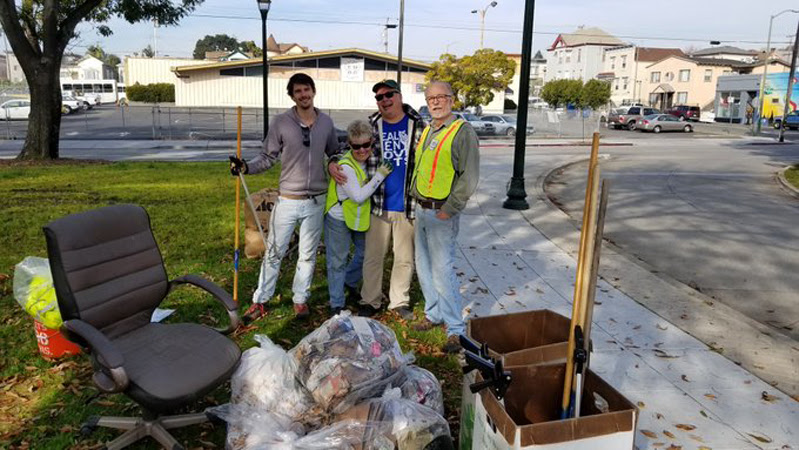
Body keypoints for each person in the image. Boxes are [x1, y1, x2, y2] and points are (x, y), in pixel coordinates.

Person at [230, 73, 341, 321]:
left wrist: (334, 162)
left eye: (306, 89)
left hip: (316, 200)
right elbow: (267, 157)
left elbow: (335, 151)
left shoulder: (326, 122)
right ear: (292, 96)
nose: (303, 95)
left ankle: (300, 299)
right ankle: (261, 300)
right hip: (288, 200)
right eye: (298, 91)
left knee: (307, 254)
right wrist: (246, 167)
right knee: (274, 251)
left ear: (313, 91)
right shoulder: (281, 122)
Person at [329, 79, 426, 320]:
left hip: (407, 204)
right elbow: (349, 147)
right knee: (372, 257)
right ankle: (370, 300)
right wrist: (332, 161)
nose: (384, 100)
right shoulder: (372, 125)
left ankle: (399, 301)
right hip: (377, 204)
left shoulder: (417, 124)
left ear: (399, 96)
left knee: (404, 258)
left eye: (388, 94)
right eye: (379, 97)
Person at [410, 81, 480, 354]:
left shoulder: (462, 132)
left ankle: (455, 329)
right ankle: (434, 313)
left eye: (441, 97)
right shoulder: (429, 129)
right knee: (424, 266)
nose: (436, 102)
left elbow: (469, 177)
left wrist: (449, 209)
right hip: (422, 208)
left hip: (441, 212)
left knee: (442, 270)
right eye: (431, 98)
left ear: (452, 100)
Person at [324, 120, 393, 317]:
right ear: (350, 144)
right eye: (356, 146)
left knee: (365, 253)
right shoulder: (345, 166)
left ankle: (349, 281)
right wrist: (379, 176)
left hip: (358, 217)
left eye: (366, 144)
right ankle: (336, 303)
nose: (362, 150)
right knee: (337, 261)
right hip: (338, 218)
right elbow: (358, 196)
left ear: (372, 141)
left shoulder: (372, 157)